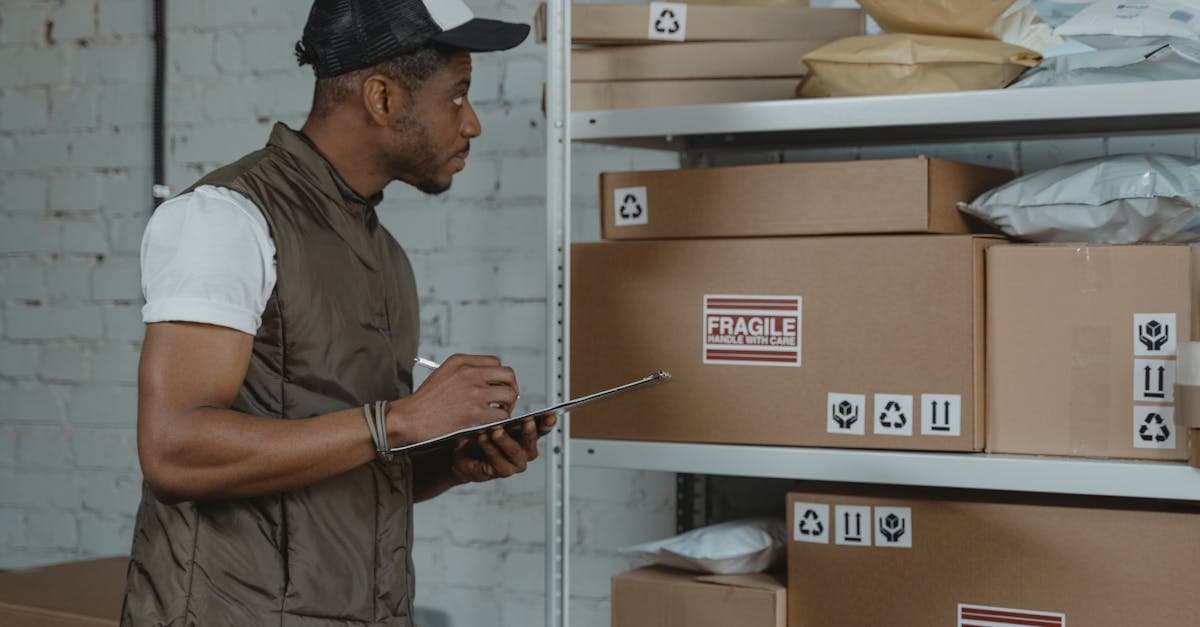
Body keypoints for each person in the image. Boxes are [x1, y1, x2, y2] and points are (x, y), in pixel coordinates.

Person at [120, 1, 548, 624]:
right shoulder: (225, 220)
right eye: (458, 97)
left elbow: (341, 460)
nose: (474, 123)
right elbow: (173, 449)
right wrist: (401, 420)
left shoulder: (385, 255)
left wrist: (443, 460)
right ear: (381, 98)